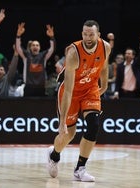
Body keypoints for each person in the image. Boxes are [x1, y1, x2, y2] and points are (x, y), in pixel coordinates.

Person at [47, 20, 111, 182]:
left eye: (91, 34)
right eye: (85, 34)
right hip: (71, 92)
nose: (88, 37)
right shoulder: (73, 53)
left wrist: (103, 86)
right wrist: (61, 122)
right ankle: (54, 155)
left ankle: (80, 169)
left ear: (98, 35)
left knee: (94, 125)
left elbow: (104, 67)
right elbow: (68, 90)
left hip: (90, 90)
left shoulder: (105, 47)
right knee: (68, 135)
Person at [15, 22, 55, 97]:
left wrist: (52, 37)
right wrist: (18, 35)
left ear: (39, 48)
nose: (35, 47)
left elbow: (52, 49)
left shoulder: (43, 56)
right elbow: (18, 48)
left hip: (40, 88)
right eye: (33, 45)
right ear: (30, 47)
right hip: (29, 88)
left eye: (37, 45)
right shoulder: (26, 56)